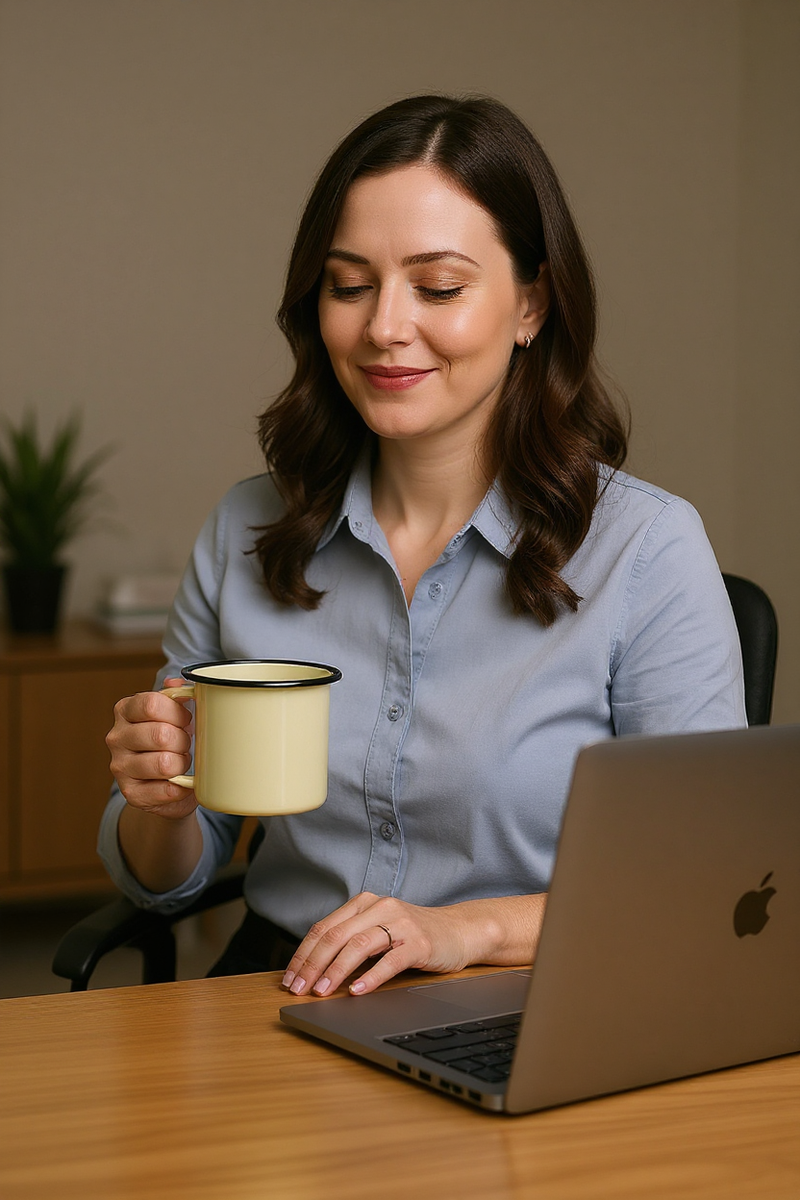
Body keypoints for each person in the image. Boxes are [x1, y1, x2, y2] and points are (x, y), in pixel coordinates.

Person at [102, 94, 746, 998]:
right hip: (281, 987)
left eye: (438, 288)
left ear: (531, 303)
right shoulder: (246, 530)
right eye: (349, 285)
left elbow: (701, 878)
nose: (383, 328)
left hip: (528, 998)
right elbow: (166, 877)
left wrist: (462, 931)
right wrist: (161, 804)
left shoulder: (645, 549)